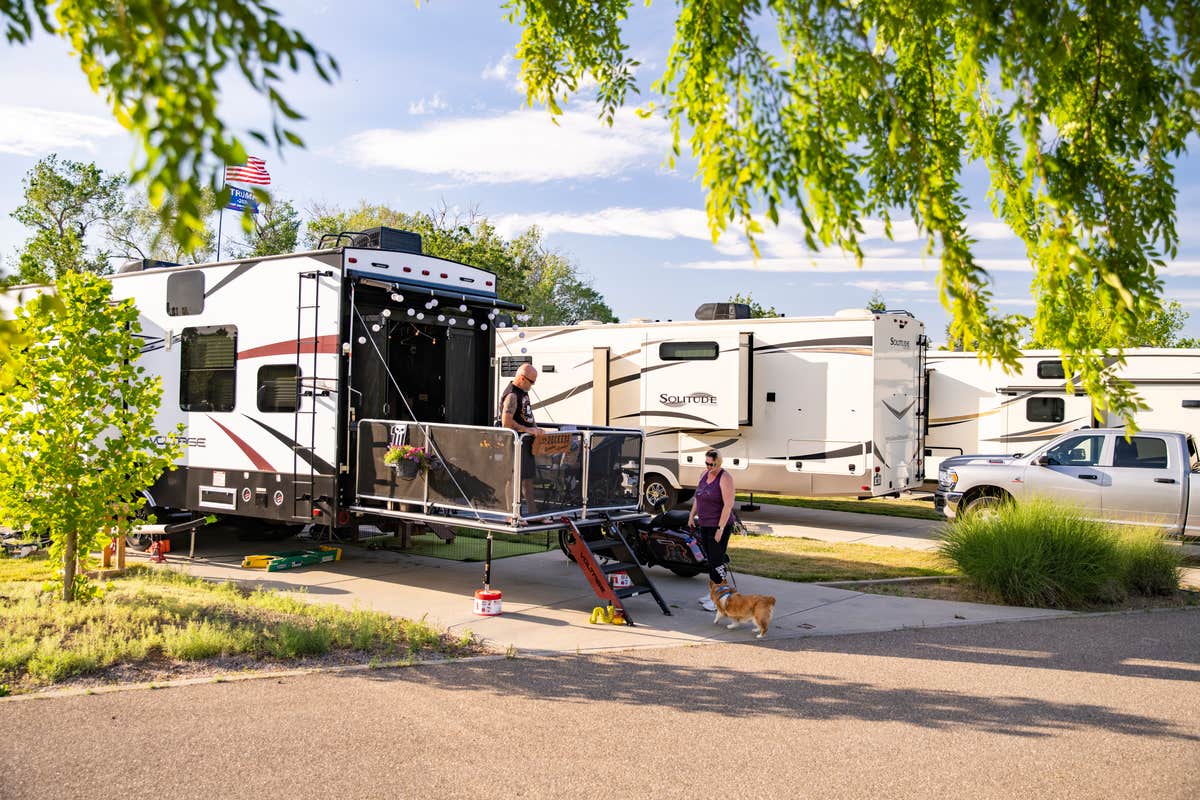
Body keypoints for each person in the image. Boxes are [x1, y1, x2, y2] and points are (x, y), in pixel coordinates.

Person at [688, 448, 735, 612]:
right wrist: (691, 516)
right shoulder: (703, 475)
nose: (709, 467)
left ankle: (721, 600)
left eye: (712, 464)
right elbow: (698, 497)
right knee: (710, 561)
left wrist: (720, 528)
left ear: (719, 462)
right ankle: (713, 594)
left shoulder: (725, 478)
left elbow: (728, 505)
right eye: (706, 463)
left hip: (719, 526)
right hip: (705, 524)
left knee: (717, 562)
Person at [498, 363, 544, 515]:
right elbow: (506, 422)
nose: (533, 385)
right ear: (522, 378)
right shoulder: (512, 394)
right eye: (532, 381)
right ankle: (511, 515)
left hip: (526, 443)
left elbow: (528, 414)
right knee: (513, 480)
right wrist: (528, 430)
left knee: (528, 480)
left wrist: (535, 428)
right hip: (514, 443)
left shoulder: (523, 392)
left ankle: (533, 514)